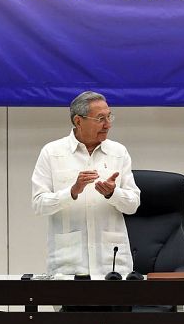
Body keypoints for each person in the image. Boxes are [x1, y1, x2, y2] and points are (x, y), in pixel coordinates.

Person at [32, 91, 140, 277]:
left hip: (112, 265)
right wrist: (72, 192)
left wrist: (112, 193)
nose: (108, 124)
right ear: (78, 121)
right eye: (100, 118)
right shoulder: (52, 152)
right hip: (68, 264)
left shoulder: (118, 152)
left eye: (109, 116)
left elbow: (133, 205)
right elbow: (39, 205)